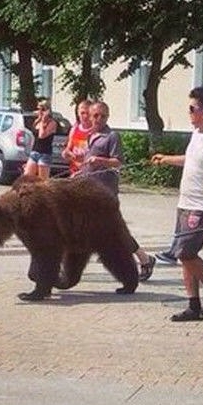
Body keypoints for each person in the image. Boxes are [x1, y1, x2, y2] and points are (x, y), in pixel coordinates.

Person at [151, 87, 203, 322]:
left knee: (184, 253)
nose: (189, 112)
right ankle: (193, 305)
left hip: (201, 206)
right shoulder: (197, 135)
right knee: (187, 255)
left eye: (192, 108)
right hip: (184, 203)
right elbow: (192, 160)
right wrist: (166, 159)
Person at [78, 100, 156, 281]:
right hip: (89, 192)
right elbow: (88, 164)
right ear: (89, 116)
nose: (99, 119)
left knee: (116, 231)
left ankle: (143, 259)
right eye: (95, 115)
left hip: (105, 194)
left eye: (103, 116)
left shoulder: (112, 136)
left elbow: (117, 162)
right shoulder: (91, 135)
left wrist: (100, 160)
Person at [23, 99, 57, 180]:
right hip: (34, 152)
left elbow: (41, 135)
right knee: (26, 177)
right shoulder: (37, 121)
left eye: (43, 109)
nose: (40, 111)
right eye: (39, 109)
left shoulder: (52, 123)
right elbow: (34, 137)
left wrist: (43, 121)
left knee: (42, 181)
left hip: (44, 154)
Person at [61, 99, 93, 176]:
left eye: (88, 113)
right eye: (82, 113)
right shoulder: (74, 129)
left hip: (89, 173)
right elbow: (68, 148)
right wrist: (67, 153)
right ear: (78, 113)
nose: (85, 116)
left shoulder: (94, 131)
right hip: (74, 170)